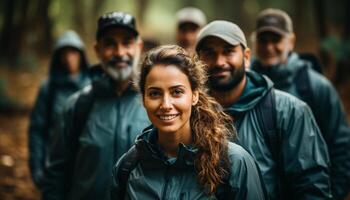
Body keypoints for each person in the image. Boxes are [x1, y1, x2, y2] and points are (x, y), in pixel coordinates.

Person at [195, 20, 332, 200]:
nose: (219, 62)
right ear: (198, 61)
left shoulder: (289, 111)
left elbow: (311, 185)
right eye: (210, 53)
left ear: (246, 57)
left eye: (228, 51)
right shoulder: (188, 113)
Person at [110, 45, 267, 199]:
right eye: (155, 93)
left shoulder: (234, 163)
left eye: (177, 92)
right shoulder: (128, 166)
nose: (166, 105)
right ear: (144, 99)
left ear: (194, 96)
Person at [43, 12, 150, 200]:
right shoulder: (78, 105)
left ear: (139, 46)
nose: (119, 52)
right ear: (97, 49)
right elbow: (56, 174)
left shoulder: (157, 105)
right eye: (110, 44)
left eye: (127, 43)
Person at [251, 8, 350, 200]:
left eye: (276, 39)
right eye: (263, 40)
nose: (269, 46)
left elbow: (341, 146)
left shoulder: (316, 86)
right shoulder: (243, 85)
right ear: (254, 44)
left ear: (291, 41)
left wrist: (333, 193)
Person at [28, 30, 90, 190]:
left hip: (85, 168)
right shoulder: (49, 88)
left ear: (81, 55)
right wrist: (37, 167)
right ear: (58, 57)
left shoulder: (94, 87)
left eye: (73, 52)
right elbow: (37, 129)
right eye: (64, 53)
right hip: (54, 166)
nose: (69, 58)